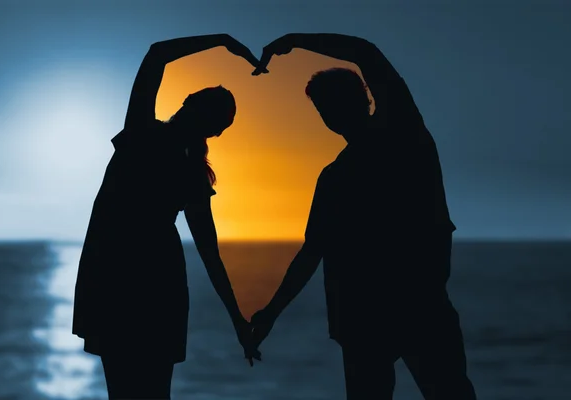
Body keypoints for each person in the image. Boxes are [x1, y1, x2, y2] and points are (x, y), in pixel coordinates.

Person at [250, 33, 477, 400]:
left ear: (364, 97)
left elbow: (365, 52)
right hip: (362, 318)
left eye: (334, 102)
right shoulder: (334, 176)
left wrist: (294, 41)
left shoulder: (402, 130)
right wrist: (271, 313)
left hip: (417, 306)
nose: (330, 113)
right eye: (324, 106)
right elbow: (313, 250)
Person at [71, 34, 265, 399]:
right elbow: (210, 254)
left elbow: (157, 53)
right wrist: (237, 320)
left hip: (123, 277)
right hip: (144, 280)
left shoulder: (146, 139)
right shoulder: (162, 148)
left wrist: (222, 42)